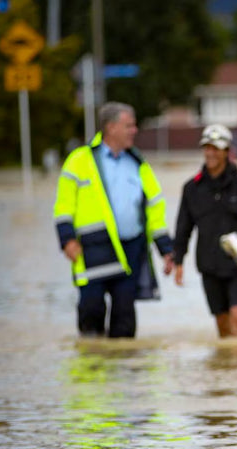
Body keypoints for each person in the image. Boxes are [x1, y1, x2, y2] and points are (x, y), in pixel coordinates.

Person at [53, 102, 174, 338]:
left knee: (124, 321)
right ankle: (93, 366)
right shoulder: (80, 160)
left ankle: (123, 370)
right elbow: (63, 206)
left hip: (130, 251)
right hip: (92, 250)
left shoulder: (138, 164)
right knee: (92, 311)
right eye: (129, 125)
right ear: (111, 128)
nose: (134, 130)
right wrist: (67, 240)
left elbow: (155, 209)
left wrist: (166, 249)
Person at [173, 124, 237, 338]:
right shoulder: (192, 188)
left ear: (227, 151)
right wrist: (178, 260)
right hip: (209, 265)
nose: (210, 153)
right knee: (223, 324)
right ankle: (227, 368)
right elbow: (184, 227)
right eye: (207, 148)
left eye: (215, 148)